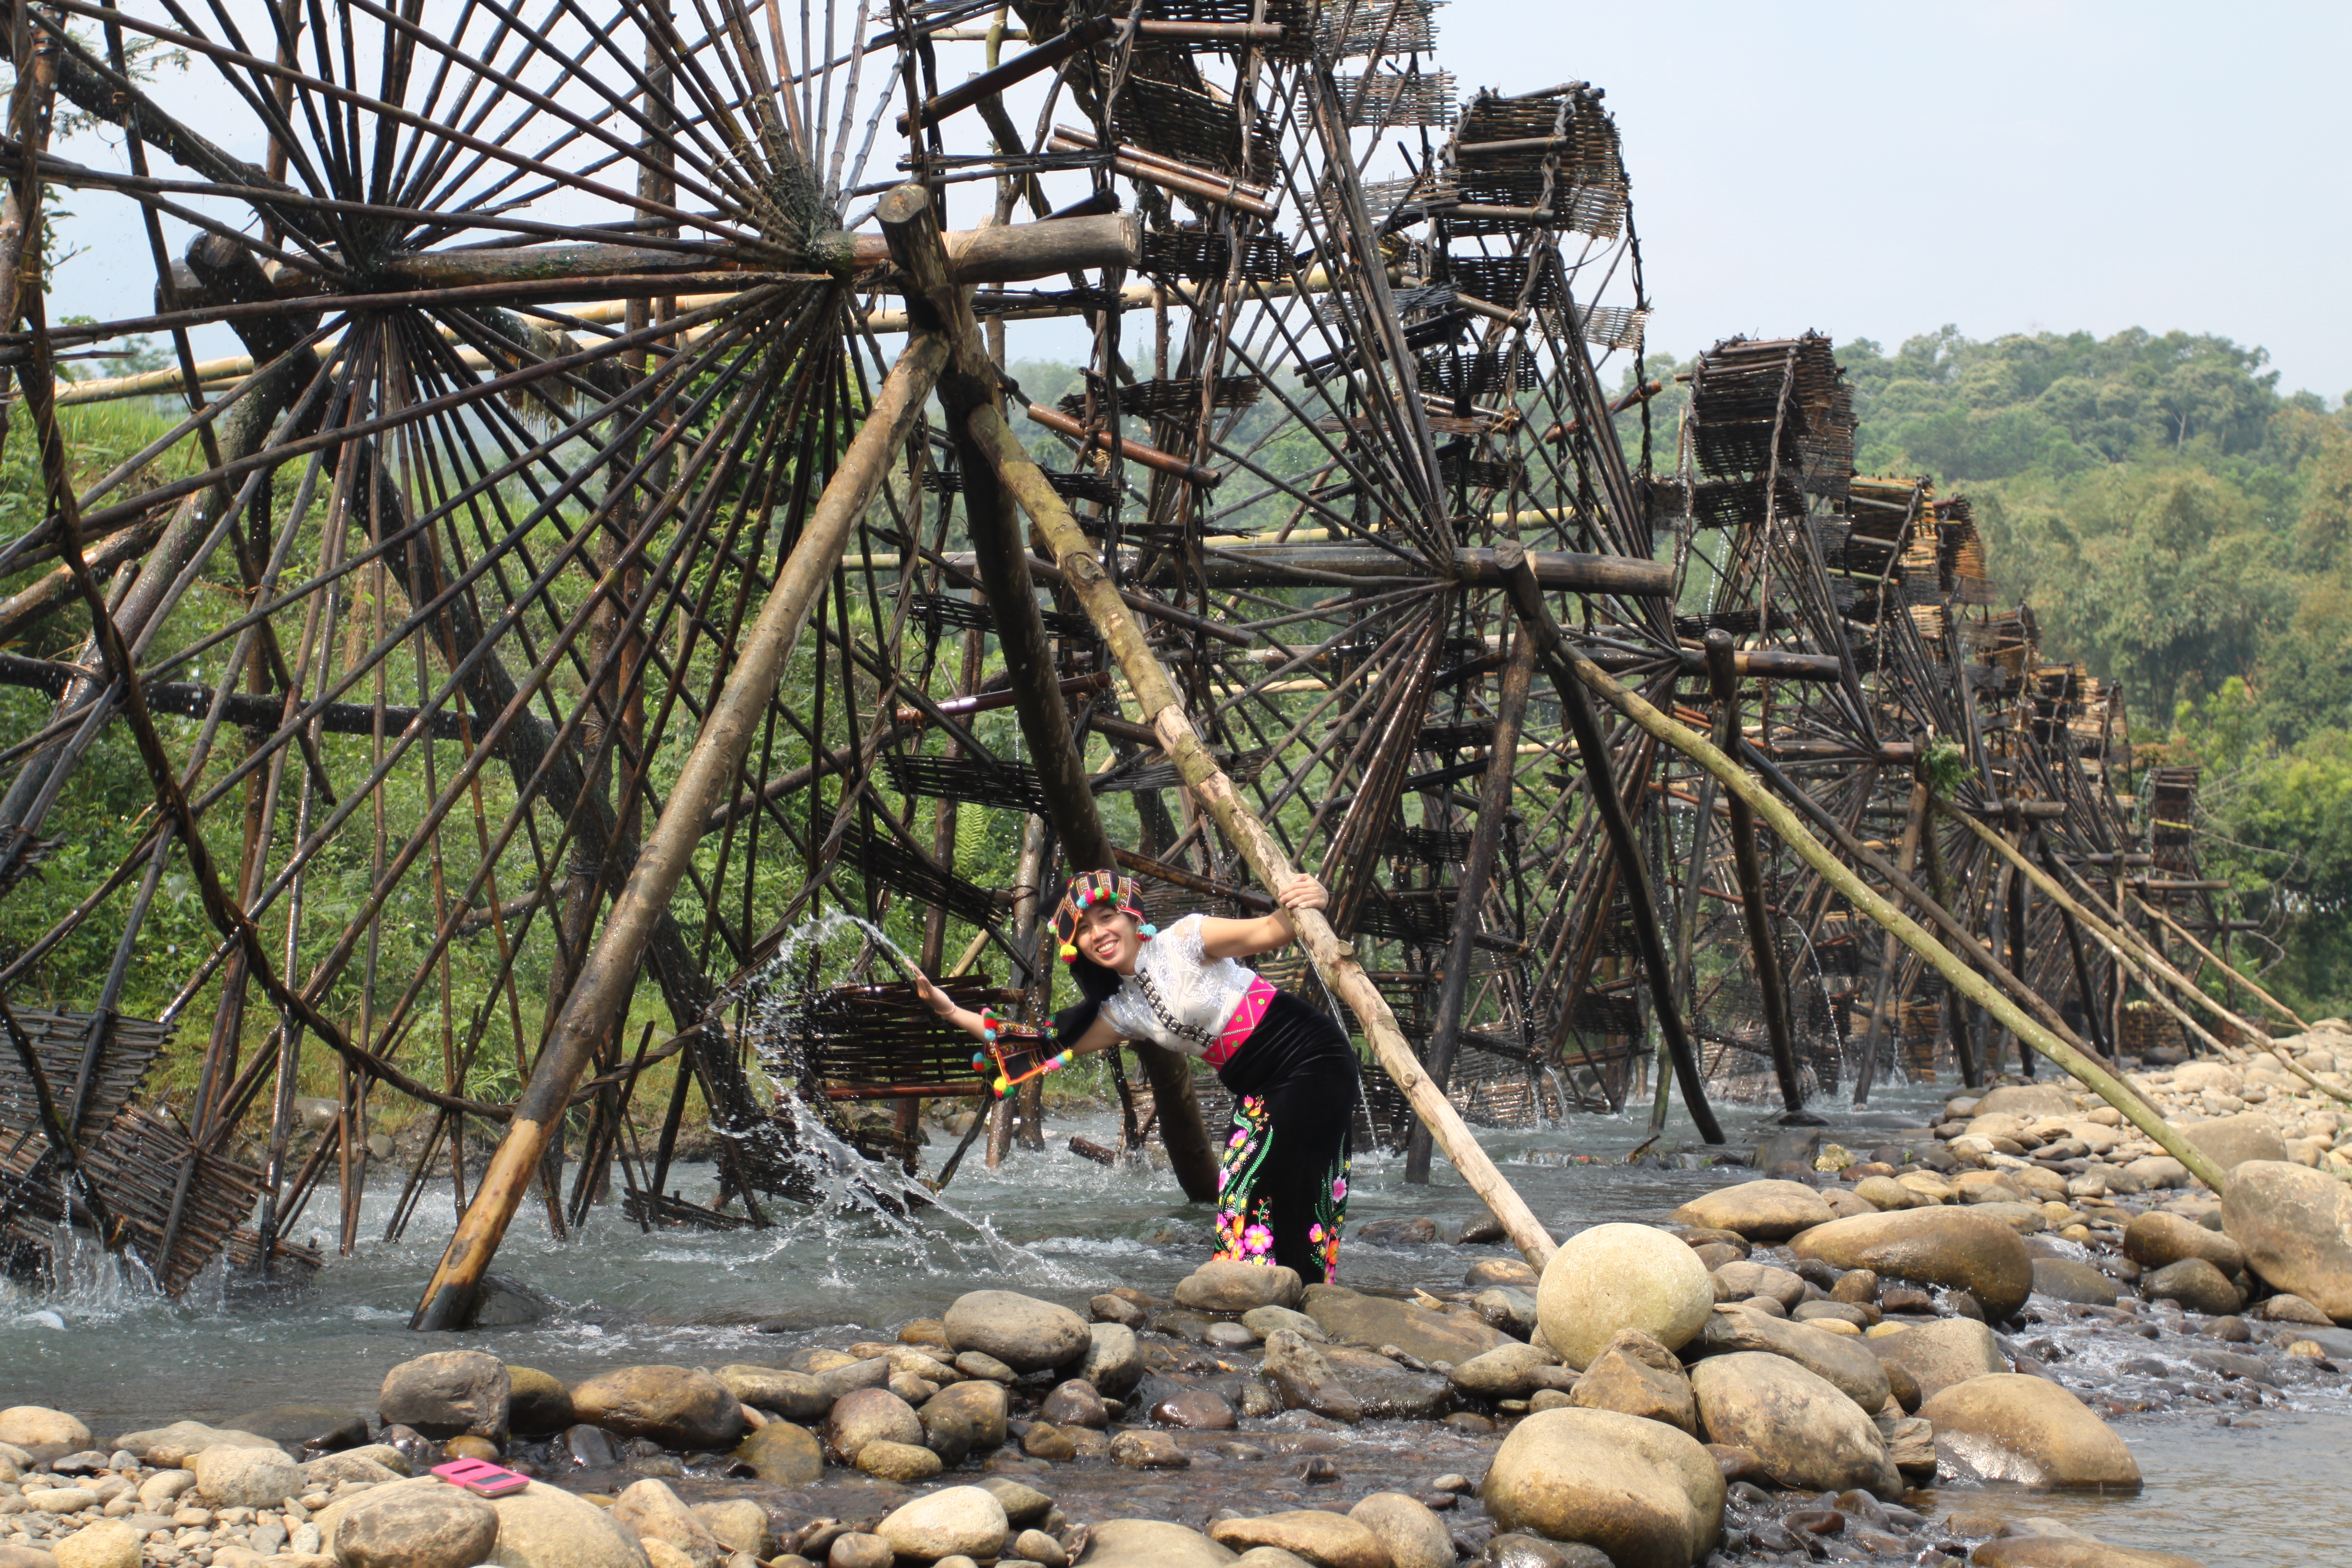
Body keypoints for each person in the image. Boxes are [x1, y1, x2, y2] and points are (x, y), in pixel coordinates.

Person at [912, 867, 1361, 1282]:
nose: (1098, 934)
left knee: (1269, 1177)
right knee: (1240, 1190)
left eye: (1106, 918)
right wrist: (950, 1010)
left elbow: (1271, 930)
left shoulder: (1188, 938)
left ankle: (1291, 1293)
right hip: (1254, 1082)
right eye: (1084, 930)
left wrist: (1310, 897)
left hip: (1310, 1055)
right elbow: (1042, 1043)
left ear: (1131, 916)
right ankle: (1277, 1296)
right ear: (1076, 946)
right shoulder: (1122, 1009)